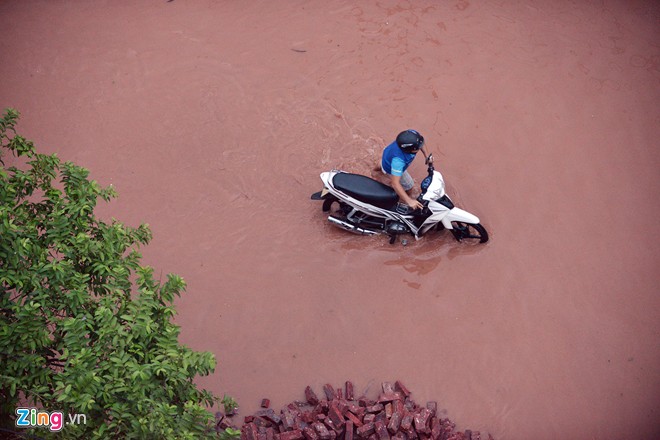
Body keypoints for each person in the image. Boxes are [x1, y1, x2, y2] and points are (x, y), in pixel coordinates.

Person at [381, 129, 433, 210]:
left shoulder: (412, 135)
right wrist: (409, 201)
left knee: (383, 164)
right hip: (391, 166)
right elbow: (395, 183)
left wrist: (427, 156)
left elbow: (420, 142)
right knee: (409, 186)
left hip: (387, 154)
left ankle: (377, 170)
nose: (419, 148)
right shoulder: (398, 161)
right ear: (409, 150)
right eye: (417, 148)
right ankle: (402, 198)